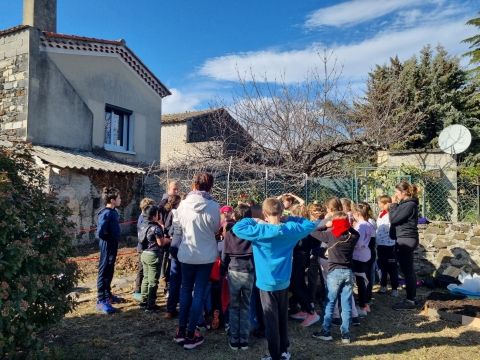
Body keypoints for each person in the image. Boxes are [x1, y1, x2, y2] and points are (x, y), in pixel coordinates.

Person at [233, 198, 317, 360]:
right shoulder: (290, 229)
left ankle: (274, 354)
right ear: (281, 212)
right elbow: (309, 224)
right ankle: (284, 350)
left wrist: (253, 219)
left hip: (266, 283)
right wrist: (290, 218)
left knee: (271, 320)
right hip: (284, 281)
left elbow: (237, 228)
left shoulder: (259, 230)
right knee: (282, 317)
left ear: (265, 213)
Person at [173, 173, 221, 350]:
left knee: (185, 291)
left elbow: (177, 227)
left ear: (194, 185)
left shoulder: (182, 204)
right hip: (206, 255)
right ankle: (192, 333)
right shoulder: (214, 206)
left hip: (187, 253)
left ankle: (181, 331)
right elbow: (216, 228)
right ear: (210, 187)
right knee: (198, 293)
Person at [311, 212, 360, 344]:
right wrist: (346, 224)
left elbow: (312, 231)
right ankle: (346, 334)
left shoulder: (330, 235)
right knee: (346, 303)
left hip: (334, 273)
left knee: (330, 302)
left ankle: (326, 332)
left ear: (334, 223)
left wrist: (327, 225)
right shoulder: (354, 236)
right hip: (348, 272)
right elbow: (352, 230)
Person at [221, 204, 255, 351]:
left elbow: (224, 256)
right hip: (248, 271)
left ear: (236, 216)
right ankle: (244, 339)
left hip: (234, 271)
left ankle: (234, 339)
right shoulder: (253, 233)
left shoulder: (230, 233)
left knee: (234, 306)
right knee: (246, 306)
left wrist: (223, 270)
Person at [288, 204, 320, 327]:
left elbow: (301, 243)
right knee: (300, 283)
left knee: (296, 285)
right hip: (301, 257)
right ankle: (304, 309)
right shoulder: (304, 226)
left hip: (300, 258)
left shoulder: (303, 227)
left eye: (292, 214)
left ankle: (311, 313)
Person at [389, 181, 419, 310]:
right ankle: (410, 298)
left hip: (406, 239)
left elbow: (394, 219)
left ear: (404, 192)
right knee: (407, 270)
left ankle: (410, 301)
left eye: (397, 192)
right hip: (404, 238)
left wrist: (393, 204)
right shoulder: (406, 204)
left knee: (408, 271)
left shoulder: (409, 204)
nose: (395, 194)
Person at [138, 205, 170, 312]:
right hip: (153, 255)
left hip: (144, 254)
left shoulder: (143, 225)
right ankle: (150, 305)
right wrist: (169, 240)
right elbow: (160, 242)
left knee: (146, 278)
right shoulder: (155, 228)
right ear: (154, 215)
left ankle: (143, 301)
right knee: (153, 281)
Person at [95, 187, 122, 314]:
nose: (120, 200)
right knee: (104, 270)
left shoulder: (114, 211)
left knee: (110, 269)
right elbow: (100, 232)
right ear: (112, 200)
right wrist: (108, 238)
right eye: (118, 198)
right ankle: (101, 300)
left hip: (113, 244)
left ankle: (108, 295)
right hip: (107, 244)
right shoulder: (105, 213)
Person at [352, 202, 375, 317]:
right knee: (363, 280)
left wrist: (350, 243)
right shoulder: (369, 223)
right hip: (365, 255)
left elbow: (359, 242)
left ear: (357, 213)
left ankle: (362, 306)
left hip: (358, 256)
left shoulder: (361, 225)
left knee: (360, 281)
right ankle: (365, 304)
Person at [133, 198, 156, 301]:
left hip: (143, 247)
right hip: (143, 248)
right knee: (141, 270)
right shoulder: (143, 219)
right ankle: (138, 290)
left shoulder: (142, 217)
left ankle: (141, 290)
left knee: (143, 270)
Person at [376, 195, 399, 297]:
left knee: (392, 267)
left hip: (390, 244)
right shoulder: (381, 213)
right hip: (380, 244)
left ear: (386, 203)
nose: (378, 205)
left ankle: (394, 289)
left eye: (380, 203)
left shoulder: (392, 214)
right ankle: (383, 286)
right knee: (382, 266)